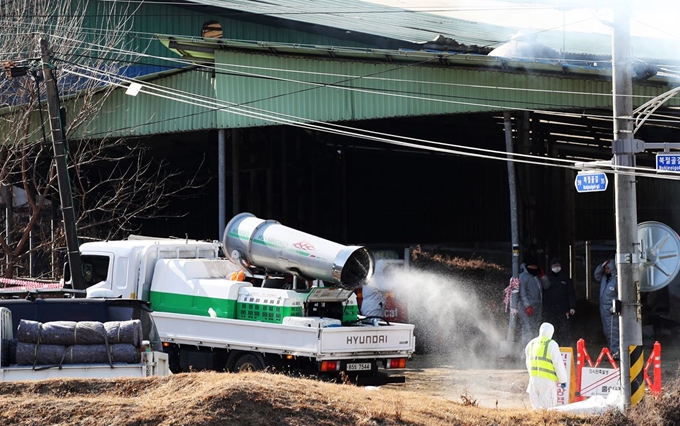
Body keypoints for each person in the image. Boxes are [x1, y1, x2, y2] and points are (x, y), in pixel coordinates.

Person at [525, 322, 568, 409]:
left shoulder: (531, 343)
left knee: (536, 408)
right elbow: (558, 364)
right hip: (547, 381)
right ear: (551, 333)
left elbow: (528, 362)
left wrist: (532, 376)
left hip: (533, 380)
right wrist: (563, 380)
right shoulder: (551, 344)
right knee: (549, 408)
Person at [542, 258, 577, 347]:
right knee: (551, 331)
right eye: (554, 266)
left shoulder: (566, 279)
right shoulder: (547, 279)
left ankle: (564, 349)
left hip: (563, 310)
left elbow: (571, 293)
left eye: (558, 266)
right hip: (550, 311)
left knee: (564, 331)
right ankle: (551, 349)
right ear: (551, 267)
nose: (556, 268)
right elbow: (542, 293)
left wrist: (572, 307)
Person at [518, 256, 547, 349]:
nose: (534, 268)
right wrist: (527, 306)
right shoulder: (523, 276)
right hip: (526, 307)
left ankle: (534, 349)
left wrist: (543, 277)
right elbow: (522, 293)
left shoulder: (537, 277)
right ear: (527, 266)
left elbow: (546, 286)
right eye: (531, 266)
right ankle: (525, 351)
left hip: (537, 306)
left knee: (535, 329)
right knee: (527, 329)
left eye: (535, 266)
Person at [595, 259, 619, 359]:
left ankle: (616, 352)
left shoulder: (617, 280)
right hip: (603, 308)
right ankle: (612, 350)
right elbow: (596, 275)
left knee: (613, 330)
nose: (606, 270)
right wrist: (601, 265)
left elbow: (621, 295)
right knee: (606, 331)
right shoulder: (604, 278)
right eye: (605, 268)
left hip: (611, 309)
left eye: (608, 268)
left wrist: (615, 306)